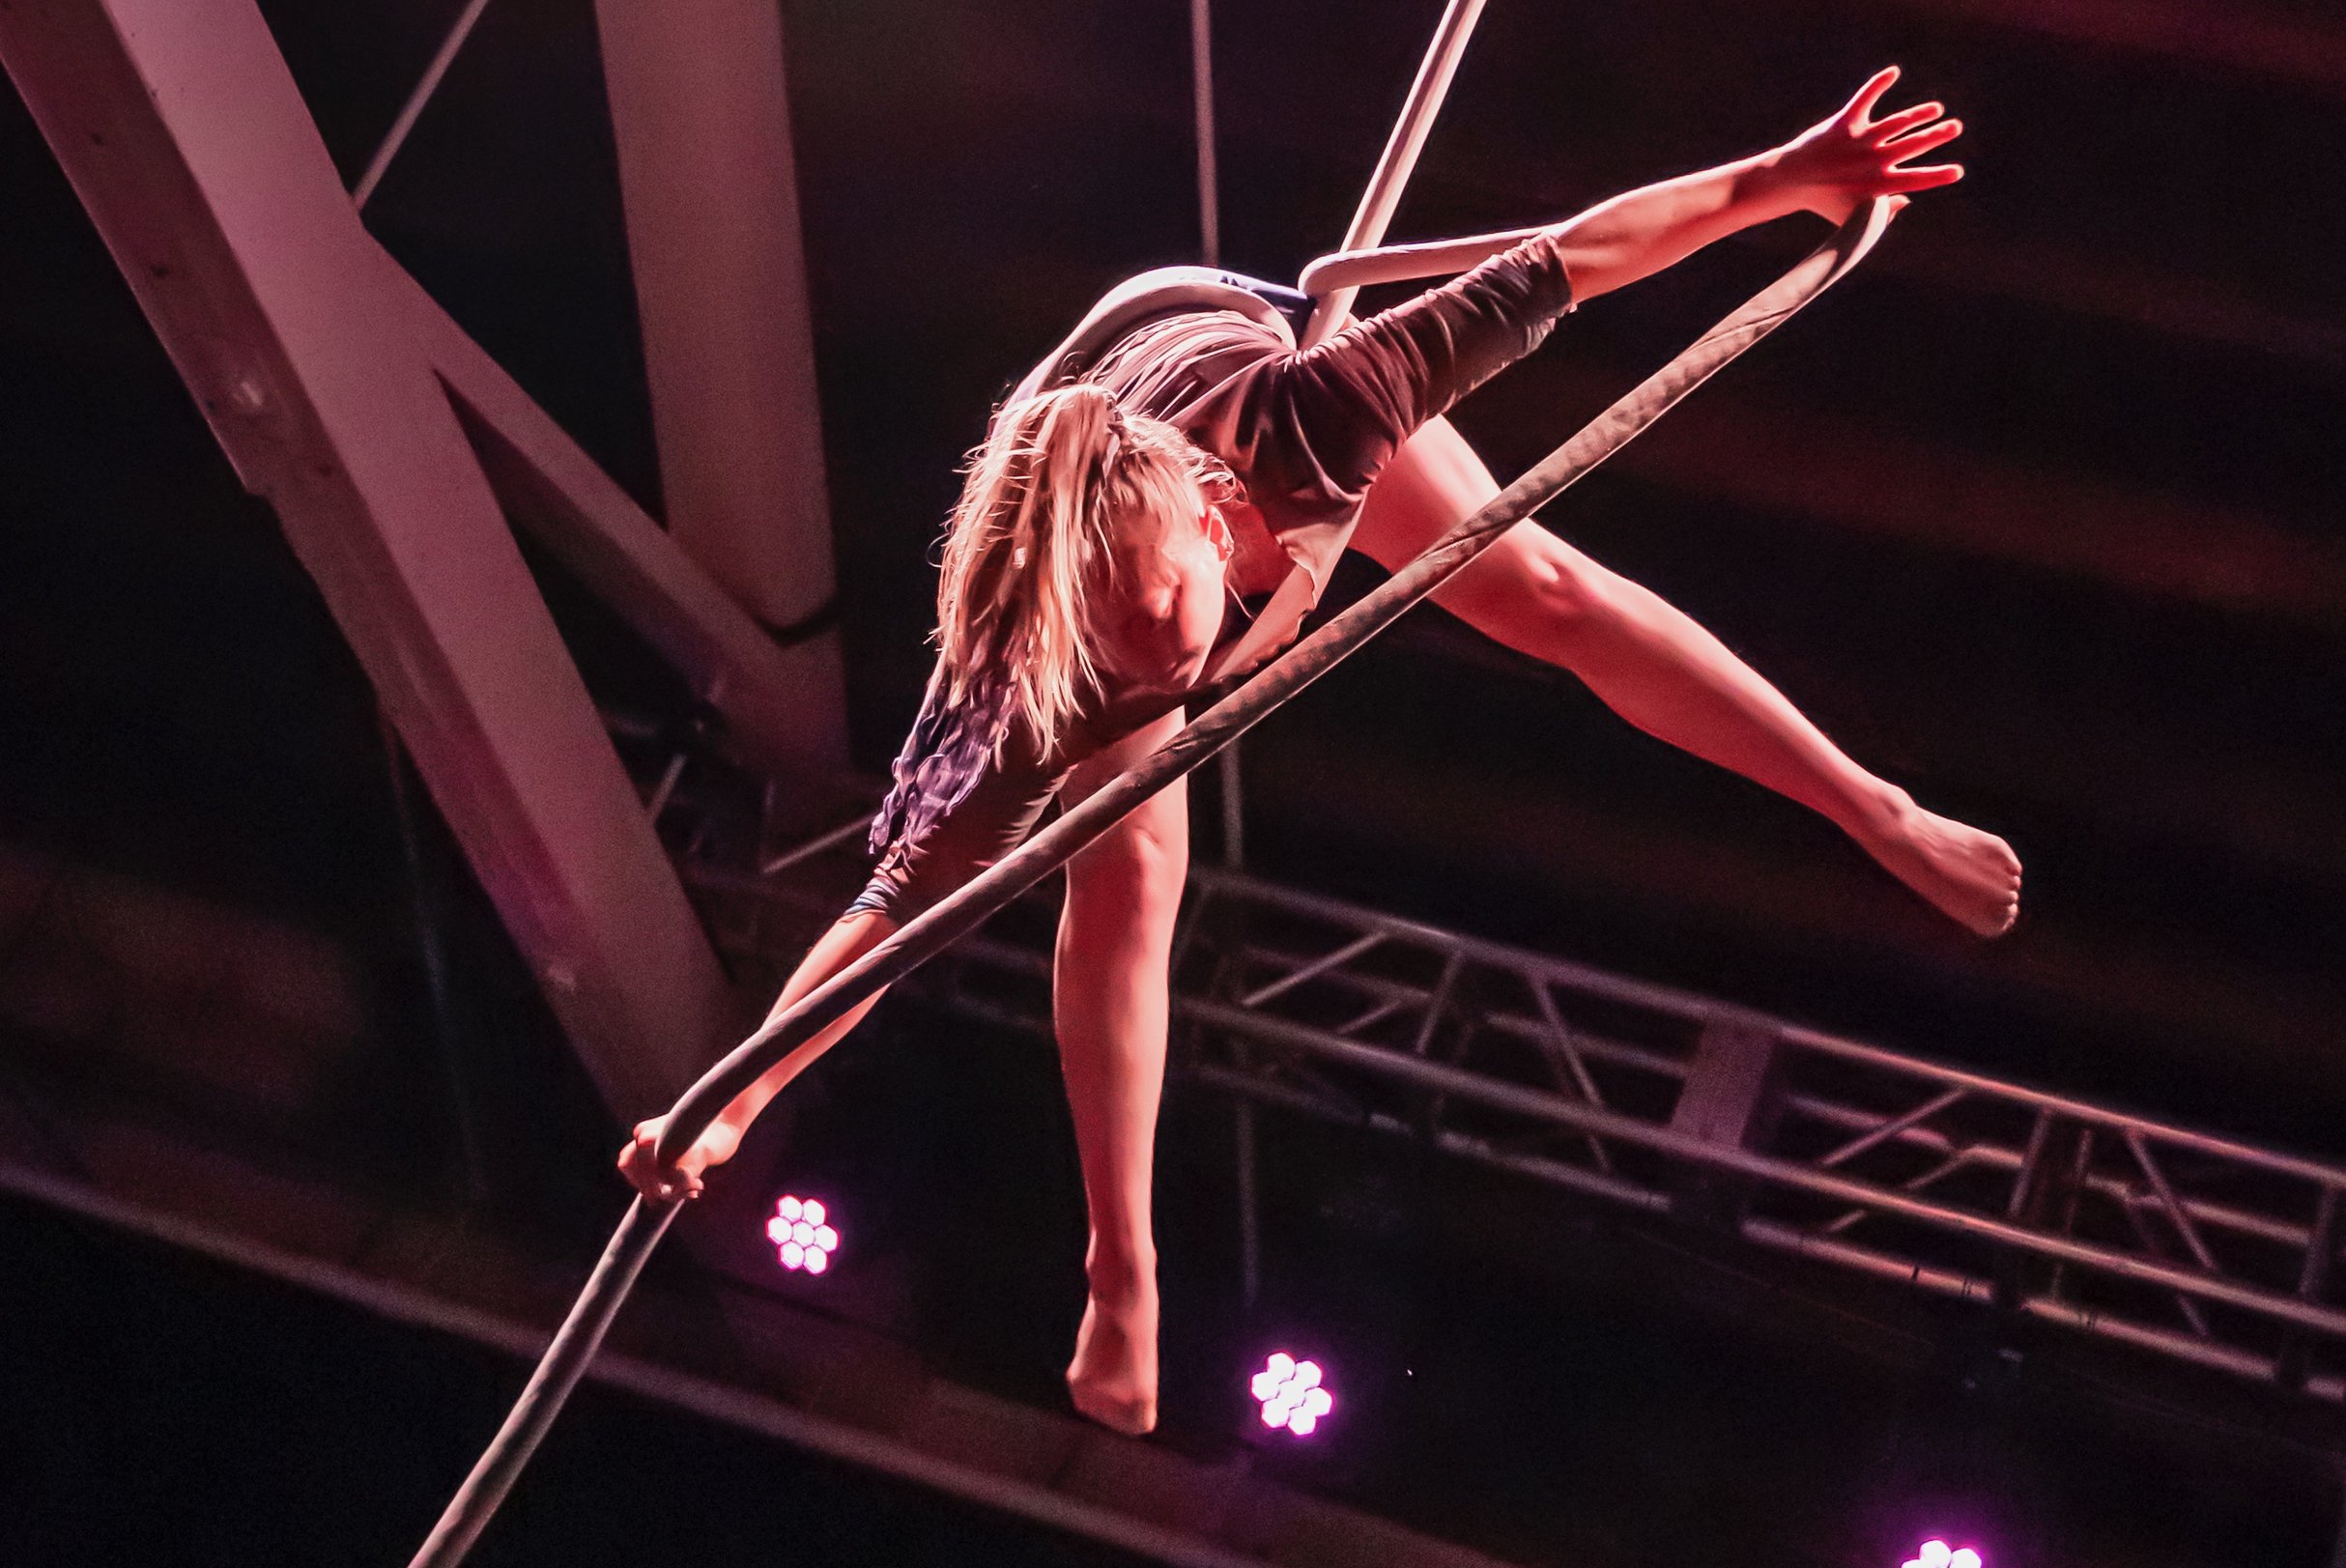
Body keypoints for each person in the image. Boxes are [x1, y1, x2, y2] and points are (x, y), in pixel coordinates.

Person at [621, 72, 2017, 1436]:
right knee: (1129, 865)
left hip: (1196, 326)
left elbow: (1578, 259)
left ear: (1212, 511)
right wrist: (732, 1102)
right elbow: (885, 923)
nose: (1169, 657)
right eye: (1130, 646)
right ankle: (1124, 1268)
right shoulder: (1042, 688)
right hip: (1078, 466)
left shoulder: (1316, 412)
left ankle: (1874, 808)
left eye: (1173, 615)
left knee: (1544, 594)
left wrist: (1787, 177)